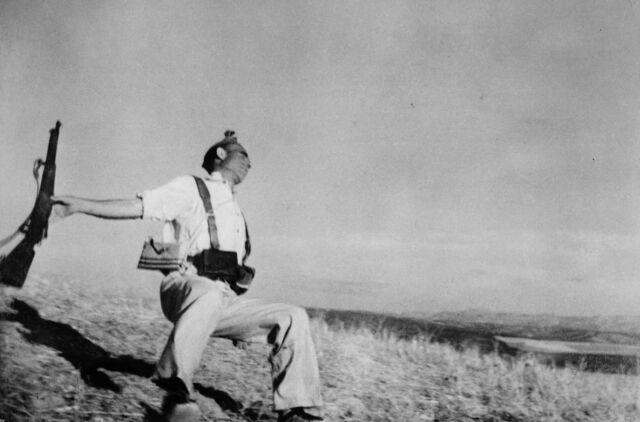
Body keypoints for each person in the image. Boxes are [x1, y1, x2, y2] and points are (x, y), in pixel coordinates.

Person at [51, 131, 323, 422]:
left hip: (221, 298)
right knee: (208, 293)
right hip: (184, 286)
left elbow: (232, 273)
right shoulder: (191, 187)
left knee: (293, 316)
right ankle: (177, 388)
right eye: (243, 155)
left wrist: (245, 326)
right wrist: (78, 205)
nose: (249, 163)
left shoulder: (236, 212)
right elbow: (138, 207)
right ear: (221, 155)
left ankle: (297, 410)